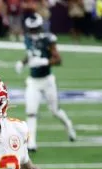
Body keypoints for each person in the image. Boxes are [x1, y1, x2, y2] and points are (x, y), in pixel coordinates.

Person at [15, 13, 76, 152]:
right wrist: (22, 62)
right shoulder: (27, 39)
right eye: (31, 29)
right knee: (31, 111)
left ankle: (68, 125)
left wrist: (45, 61)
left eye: (35, 29)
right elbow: (31, 54)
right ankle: (31, 143)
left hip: (47, 80)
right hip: (33, 81)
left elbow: (59, 59)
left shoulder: (49, 39)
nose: (33, 32)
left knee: (55, 111)